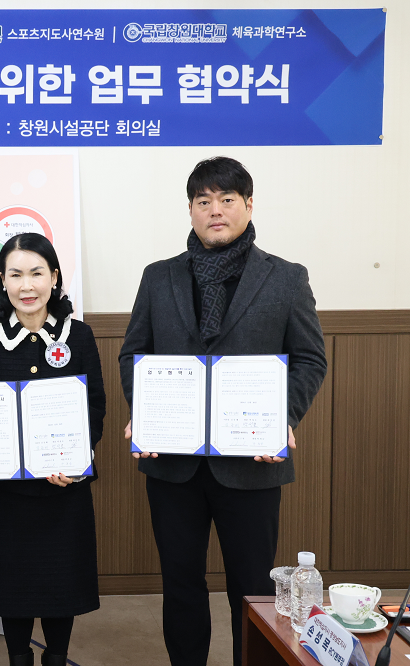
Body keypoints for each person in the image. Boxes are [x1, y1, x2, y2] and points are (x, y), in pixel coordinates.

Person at [118, 157, 328, 666]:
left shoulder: (286, 278)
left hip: (252, 463)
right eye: (204, 200)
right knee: (180, 582)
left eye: (227, 199)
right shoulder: (158, 276)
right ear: (190, 209)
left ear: (248, 205)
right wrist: (144, 413)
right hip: (172, 463)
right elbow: (134, 354)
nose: (215, 210)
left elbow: (310, 359)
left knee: (252, 588)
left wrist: (282, 418)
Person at [0, 233, 105, 666]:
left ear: (54, 277)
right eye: (16, 274)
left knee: (62, 586)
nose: (27, 286)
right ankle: (18, 657)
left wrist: (76, 463)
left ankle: (57, 657)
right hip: (5, 494)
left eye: (37, 273)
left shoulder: (79, 335)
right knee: (14, 586)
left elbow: (94, 406)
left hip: (64, 489)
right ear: (2, 280)